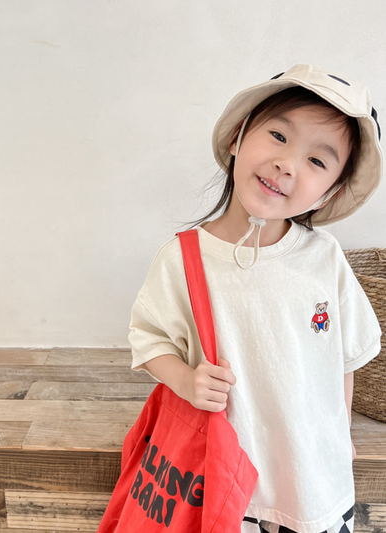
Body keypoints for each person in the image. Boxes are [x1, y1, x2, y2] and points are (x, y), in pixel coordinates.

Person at [128, 64, 383, 533]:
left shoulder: (324, 257)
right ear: (237, 138)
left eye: (317, 161)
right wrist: (185, 380)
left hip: (314, 482)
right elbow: (148, 339)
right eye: (279, 136)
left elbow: (345, 356)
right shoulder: (184, 258)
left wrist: (340, 432)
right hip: (225, 481)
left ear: (328, 194)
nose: (287, 164)